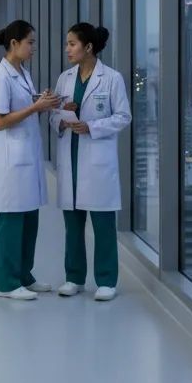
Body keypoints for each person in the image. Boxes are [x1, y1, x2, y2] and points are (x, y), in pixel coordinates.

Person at [50, 23, 132, 302]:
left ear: (88, 47)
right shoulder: (65, 78)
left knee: (102, 224)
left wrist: (92, 127)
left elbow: (123, 116)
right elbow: (53, 115)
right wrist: (62, 117)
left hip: (97, 159)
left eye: (72, 44)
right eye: (67, 44)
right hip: (70, 155)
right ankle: (74, 277)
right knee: (72, 224)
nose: (67, 49)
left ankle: (107, 280)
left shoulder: (111, 79)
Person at [0, 20, 61, 300]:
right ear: (14, 44)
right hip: (11, 160)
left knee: (30, 218)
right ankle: (6, 282)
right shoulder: (1, 77)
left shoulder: (22, 73)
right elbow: (0, 121)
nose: (33, 48)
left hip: (28, 156)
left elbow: (26, 108)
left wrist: (47, 103)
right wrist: (36, 106)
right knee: (11, 221)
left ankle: (24, 275)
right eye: (30, 42)